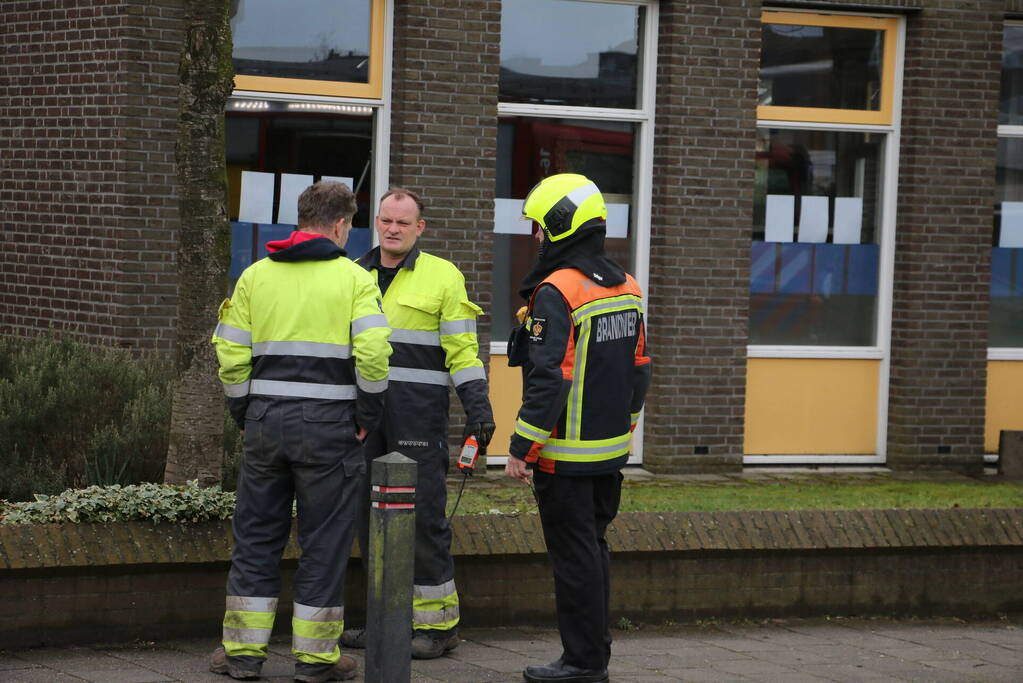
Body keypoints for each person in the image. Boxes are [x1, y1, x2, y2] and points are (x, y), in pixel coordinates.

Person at [210, 181, 391, 683]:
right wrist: (367, 418)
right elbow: (374, 356)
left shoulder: (254, 277)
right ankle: (315, 660)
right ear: (340, 225)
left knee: (255, 538)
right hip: (331, 428)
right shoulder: (354, 280)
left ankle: (243, 656)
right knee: (325, 541)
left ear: (301, 218)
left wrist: (244, 413)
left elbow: (229, 353)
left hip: (266, 422)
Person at [505, 173, 651, 683]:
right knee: (594, 553)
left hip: (564, 457)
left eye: (541, 228)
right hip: (608, 453)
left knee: (574, 561)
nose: (537, 239)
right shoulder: (626, 285)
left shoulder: (558, 289)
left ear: (562, 226)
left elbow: (550, 377)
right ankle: (594, 655)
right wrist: (625, 428)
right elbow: (640, 368)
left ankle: (583, 663)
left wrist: (522, 446)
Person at [339, 187, 495, 659]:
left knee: (424, 519)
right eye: (386, 220)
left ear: (419, 228)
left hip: (417, 417)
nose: (392, 228)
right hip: (363, 415)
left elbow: (462, 353)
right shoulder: (352, 274)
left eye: (403, 222)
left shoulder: (443, 276)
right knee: (369, 519)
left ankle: (438, 627)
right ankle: (386, 622)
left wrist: (479, 407)